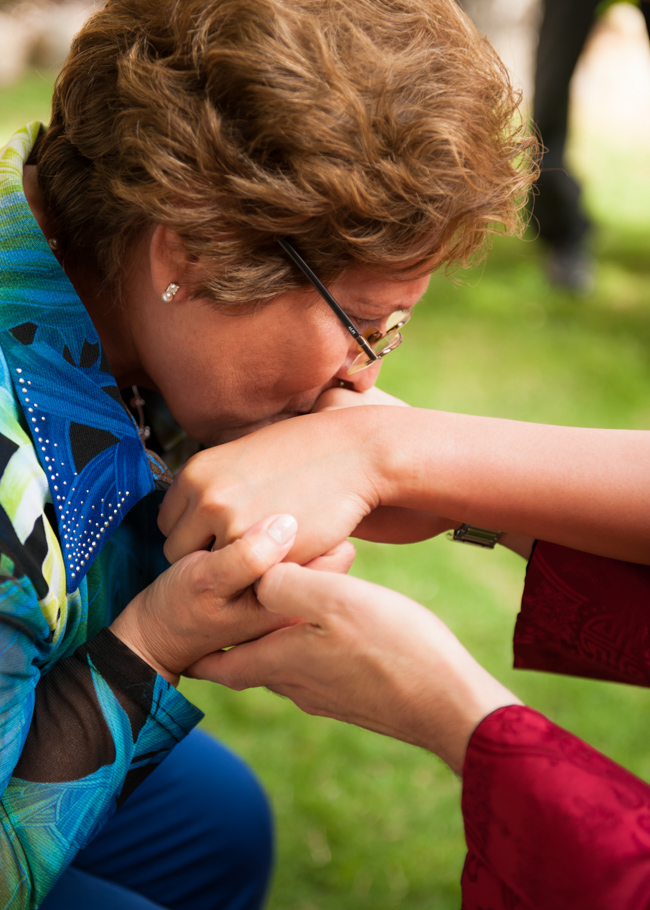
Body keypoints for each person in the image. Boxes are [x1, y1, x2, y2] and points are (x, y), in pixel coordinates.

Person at [0, 0, 535, 906]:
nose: (360, 381)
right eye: (365, 329)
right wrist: (159, 637)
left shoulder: (91, 258)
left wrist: (405, 469)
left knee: (223, 824)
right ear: (197, 255)